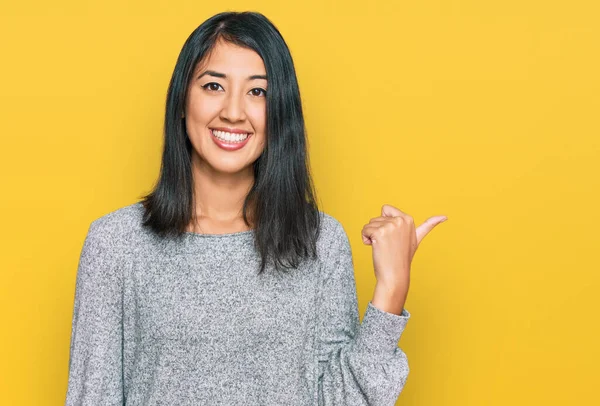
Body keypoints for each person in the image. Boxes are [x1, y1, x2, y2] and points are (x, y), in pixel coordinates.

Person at [64, 11, 447, 406]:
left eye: (257, 92)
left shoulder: (320, 242)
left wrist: (391, 290)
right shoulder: (116, 244)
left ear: (280, 112)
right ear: (181, 100)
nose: (233, 111)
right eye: (213, 85)